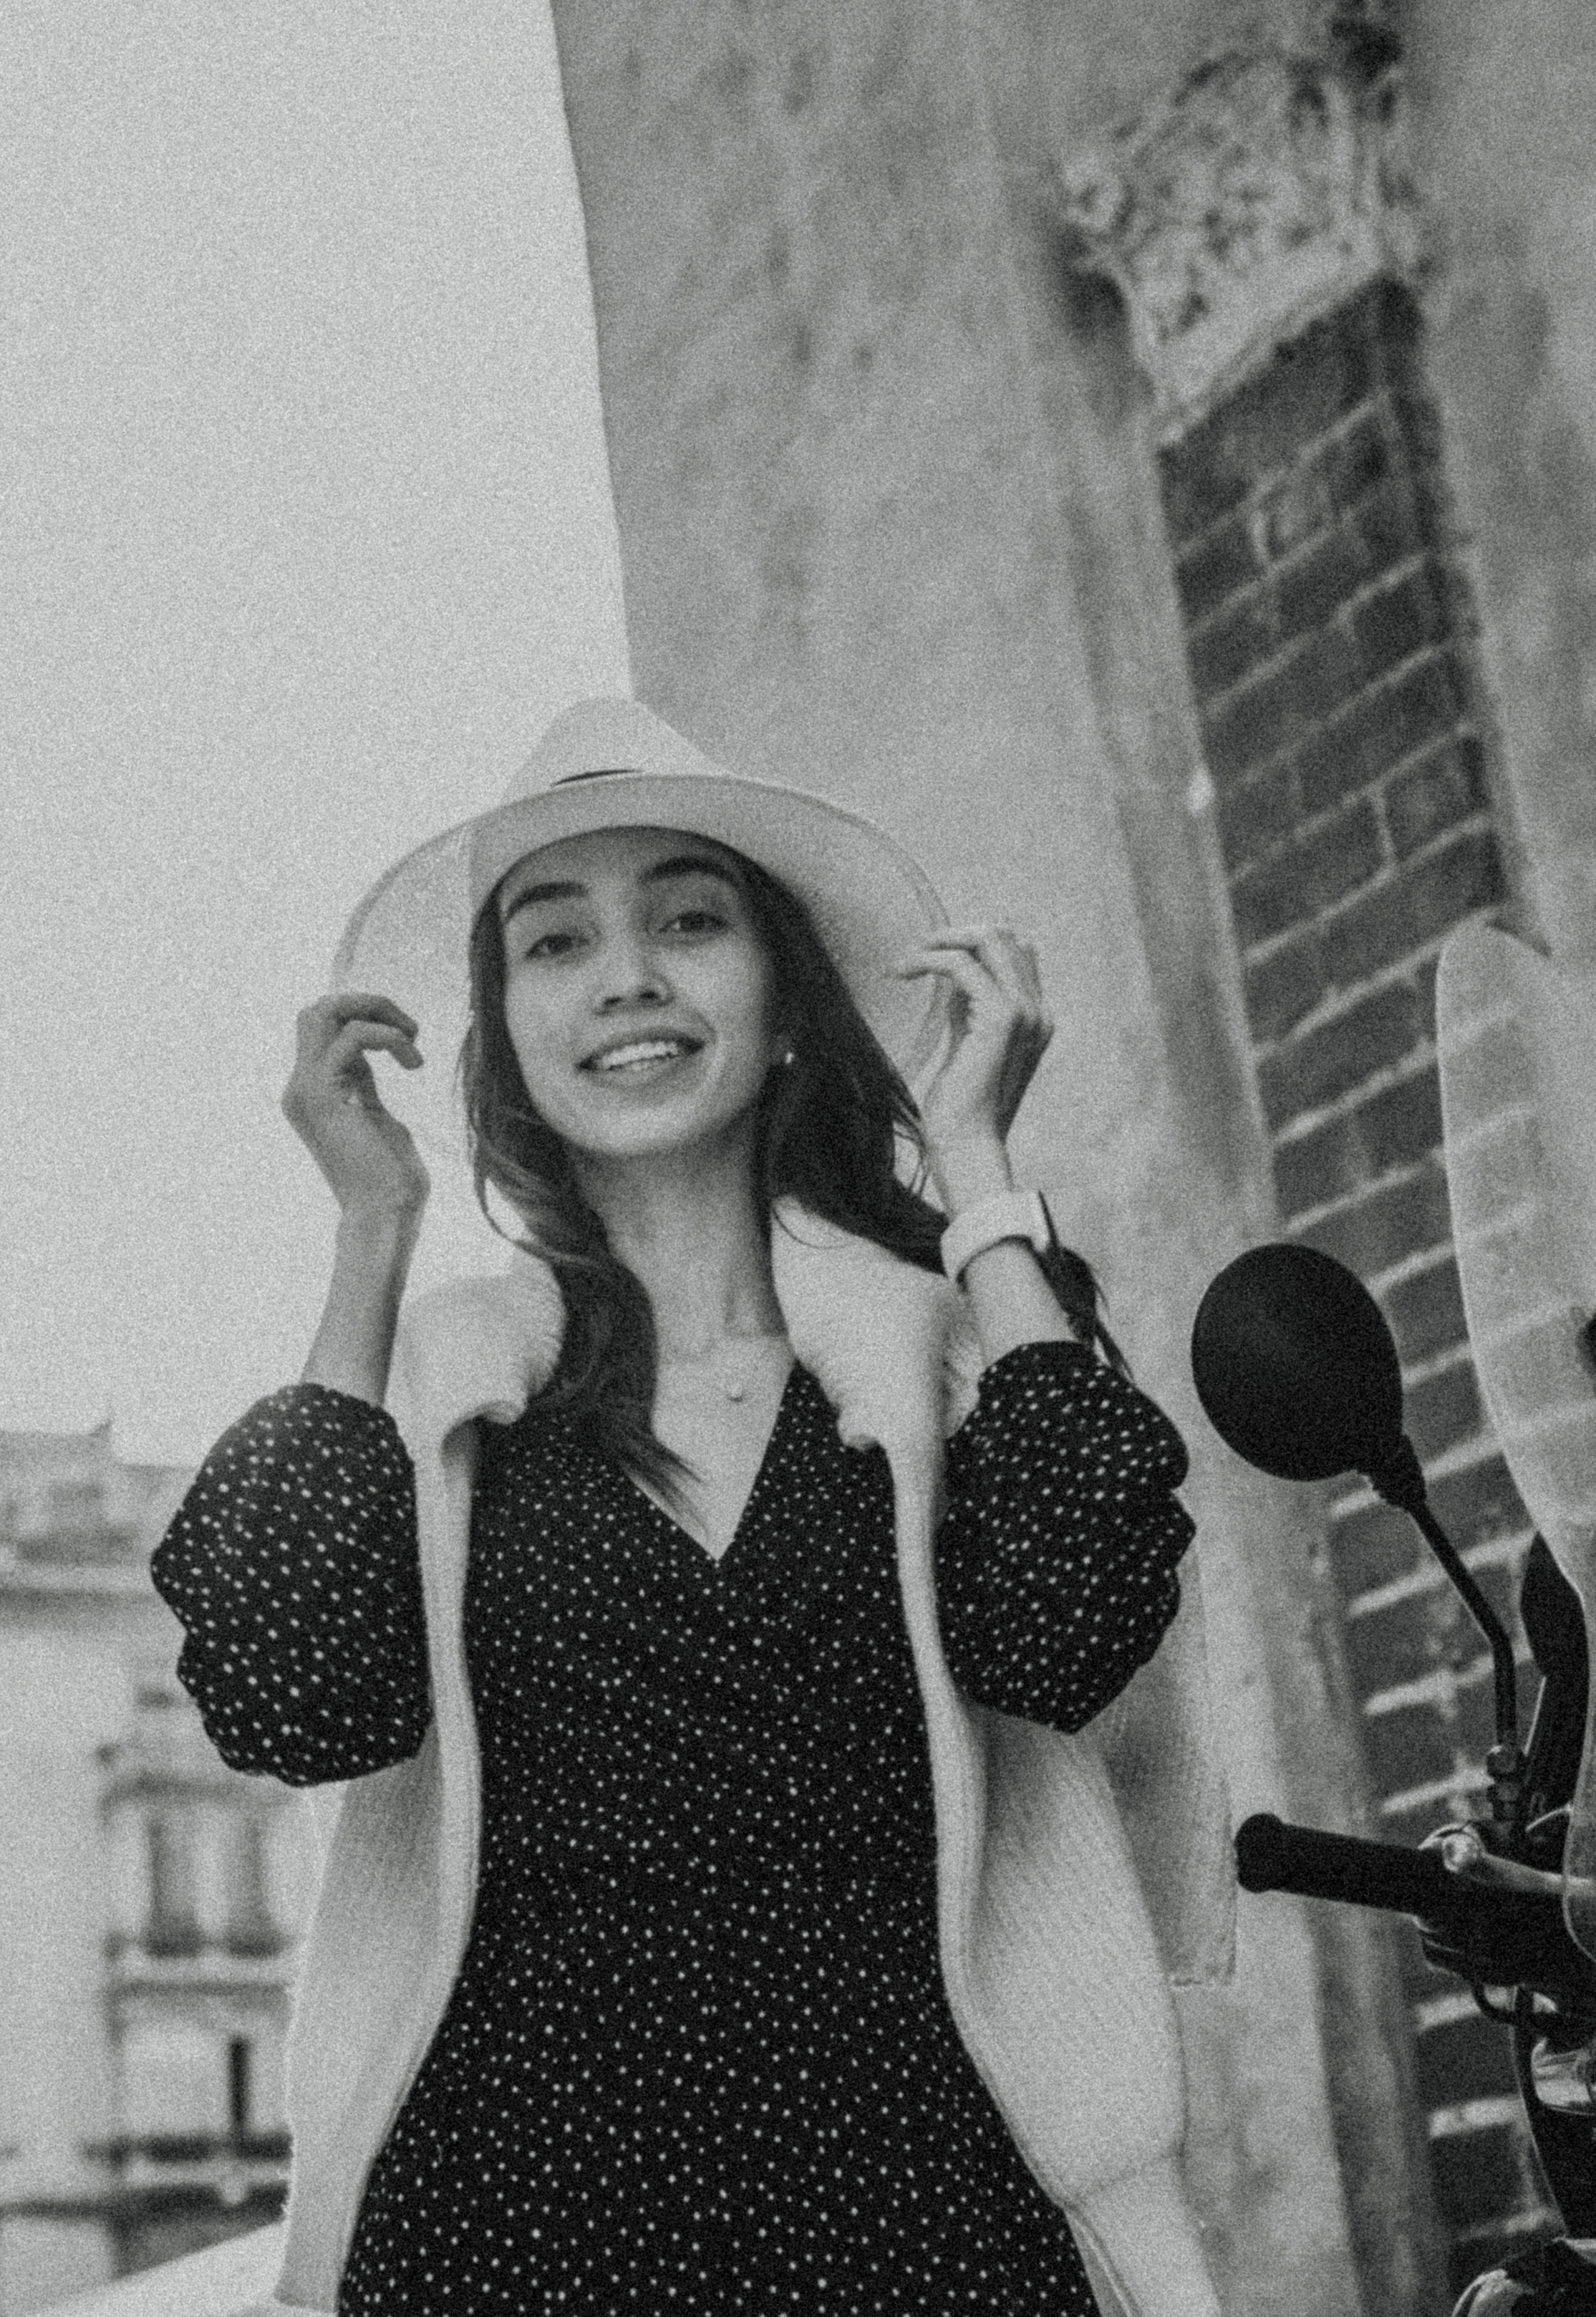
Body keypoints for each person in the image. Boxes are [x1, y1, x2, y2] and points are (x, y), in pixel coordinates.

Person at [151, 699, 1229, 2317]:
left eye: (688, 919)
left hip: (916, 2211)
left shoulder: (948, 1341)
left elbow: (1066, 1631)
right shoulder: (450, 1386)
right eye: (555, 941)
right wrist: (369, 1234)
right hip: (510, 2226)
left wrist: (976, 1176)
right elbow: (294, 1697)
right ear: (504, 1030)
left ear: (784, 997)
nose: (626, 976)